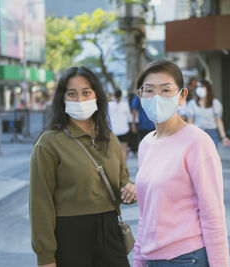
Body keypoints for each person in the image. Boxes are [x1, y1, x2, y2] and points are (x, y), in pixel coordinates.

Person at [29, 66, 136, 267]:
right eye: (72, 94)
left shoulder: (110, 138)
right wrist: (45, 258)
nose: (80, 100)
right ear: (62, 99)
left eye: (86, 92)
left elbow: (122, 181)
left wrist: (130, 189)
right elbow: (40, 204)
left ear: (97, 95)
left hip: (110, 231)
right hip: (70, 236)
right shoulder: (49, 143)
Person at [133, 60, 230, 267]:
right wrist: (138, 260)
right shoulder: (146, 144)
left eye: (166, 90)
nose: (157, 98)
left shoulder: (197, 142)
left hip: (186, 259)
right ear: (140, 95)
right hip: (151, 258)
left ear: (182, 96)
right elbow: (145, 212)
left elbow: (213, 215)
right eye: (149, 90)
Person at [186, 79, 230, 148]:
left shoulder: (215, 103)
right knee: (198, 157)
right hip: (197, 133)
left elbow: (218, 120)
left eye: (201, 87)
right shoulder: (192, 103)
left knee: (211, 157)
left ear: (208, 88)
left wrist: (224, 137)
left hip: (211, 133)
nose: (199, 89)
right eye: (197, 87)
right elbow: (190, 121)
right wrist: (189, 135)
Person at [109, 89, 131, 160]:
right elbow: (129, 117)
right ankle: (124, 168)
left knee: (114, 150)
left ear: (114, 95)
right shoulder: (125, 104)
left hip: (113, 130)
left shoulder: (109, 105)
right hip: (124, 129)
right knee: (124, 149)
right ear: (121, 96)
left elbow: (107, 118)